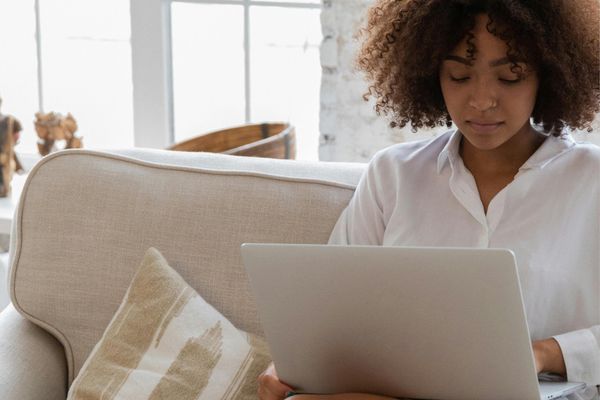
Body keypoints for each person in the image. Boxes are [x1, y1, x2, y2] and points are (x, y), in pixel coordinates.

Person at [258, 0, 600, 399]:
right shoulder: (394, 174)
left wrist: (544, 354)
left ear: (549, 73)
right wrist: (294, 362)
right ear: (430, 73)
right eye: (459, 75)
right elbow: (333, 312)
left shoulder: (591, 180)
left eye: (510, 75)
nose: (482, 100)